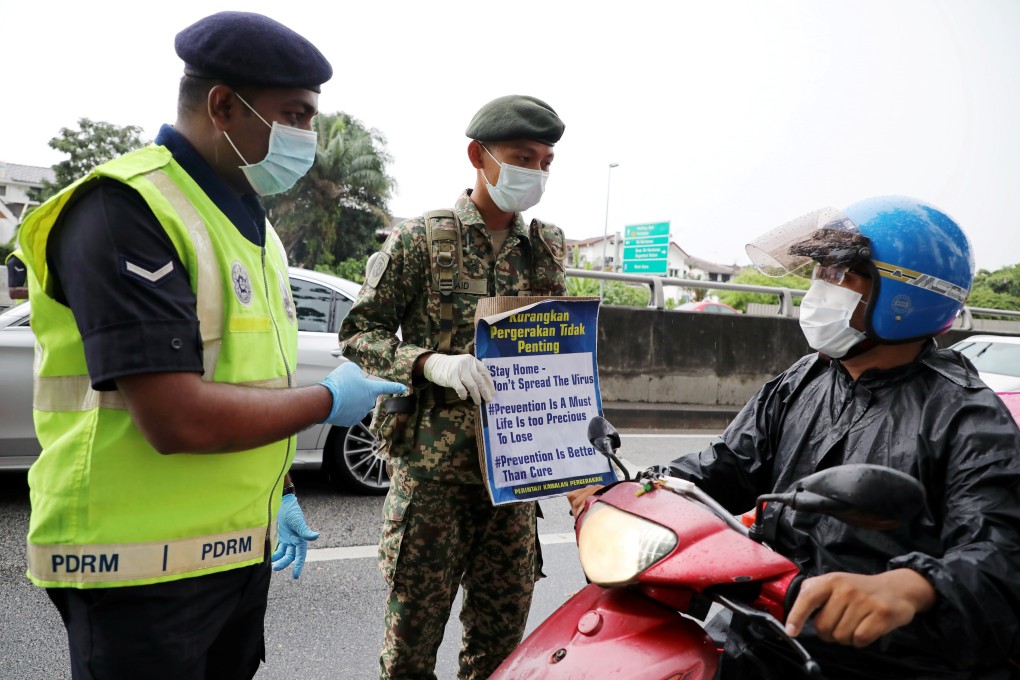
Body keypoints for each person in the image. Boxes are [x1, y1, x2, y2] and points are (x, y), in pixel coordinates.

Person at [18, 12, 404, 680]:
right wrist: (324, 400)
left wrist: (278, 487)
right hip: (131, 567)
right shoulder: (125, 210)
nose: (308, 137)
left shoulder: (250, 227)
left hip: (230, 554)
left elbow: (248, 375)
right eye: (296, 115)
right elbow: (175, 417)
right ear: (224, 105)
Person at [569, 196, 1020, 679]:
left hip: (883, 659)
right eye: (819, 273)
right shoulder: (805, 378)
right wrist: (637, 492)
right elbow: (725, 466)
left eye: (840, 275)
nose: (819, 290)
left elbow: (1000, 556)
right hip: (760, 631)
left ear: (906, 298)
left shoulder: (966, 416)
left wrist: (912, 588)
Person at [338, 94, 568, 679]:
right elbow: (359, 334)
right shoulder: (422, 239)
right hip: (433, 480)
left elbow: (559, 353)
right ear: (478, 155)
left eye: (545, 161)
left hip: (514, 482)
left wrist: (580, 425)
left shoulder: (544, 252)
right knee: (411, 650)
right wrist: (427, 364)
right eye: (523, 157)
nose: (536, 172)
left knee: (499, 652)